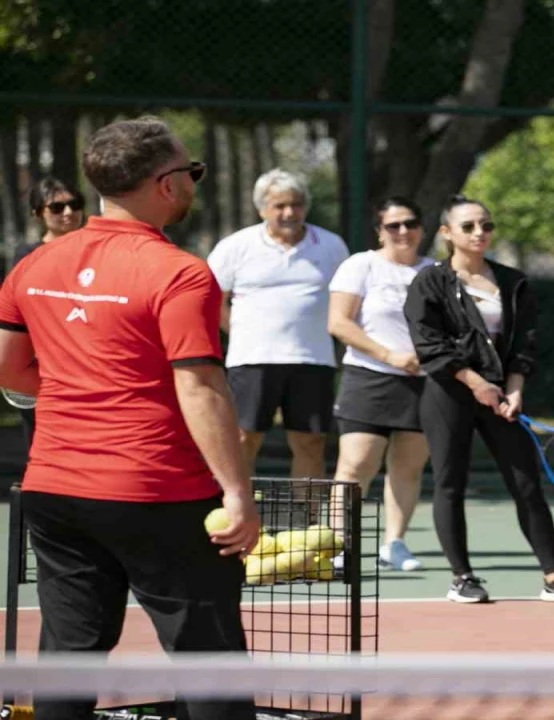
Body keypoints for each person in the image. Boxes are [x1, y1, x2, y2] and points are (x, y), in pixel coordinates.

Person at [0, 116, 260, 720]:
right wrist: (237, 492)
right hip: (157, 490)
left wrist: (80, 389)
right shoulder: (180, 272)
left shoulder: (35, 265)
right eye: (192, 171)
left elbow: (8, 369)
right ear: (166, 184)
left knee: (68, 657)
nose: (194, 181)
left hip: (54, 489)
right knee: (209, 661)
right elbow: (200, 387)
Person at [404, 194, 554, 604]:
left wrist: (514, 389)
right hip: (448, 394)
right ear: (446, 233)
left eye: (486, 225)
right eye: (469, 226)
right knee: (450, 483)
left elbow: (525, 342)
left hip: (501, 397)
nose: (480, 233)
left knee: (526, 483)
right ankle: (463, 578)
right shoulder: (430, 282)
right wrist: (475, 382)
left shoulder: (513, 281)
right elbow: (429, 343)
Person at [206, 169, 349, 479]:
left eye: (296, 204)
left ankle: (306, 511)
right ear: (262, 209)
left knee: (311, 442)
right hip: (251, 360)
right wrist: (241, 334)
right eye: (279, 206)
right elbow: (213, 302)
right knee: (243, 439)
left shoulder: (332, 245)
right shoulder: (235, 246)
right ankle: (239, 506)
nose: (289, 213)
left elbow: (347, 298)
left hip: (313, 360)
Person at [327, 197, 434, 571]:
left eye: (411, 223)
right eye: (393, 225)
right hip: (368, 378)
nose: (403, 231)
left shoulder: (436, 271)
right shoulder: (361, 265)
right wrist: (389, 356)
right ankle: (340, 547)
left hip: (423, 384)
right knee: (355, 465)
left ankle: (395, 544)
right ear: (380, 231)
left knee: (409, 467)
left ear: (421, 229)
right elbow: (339, 323)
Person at [7, 178, 87, 450]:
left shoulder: (96, 250)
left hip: (88, 362)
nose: (69, 212)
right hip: (44, 366)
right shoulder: (27, 255)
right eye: (57, 207)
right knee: (42, 444)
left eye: (75, 204)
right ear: (37, 213)